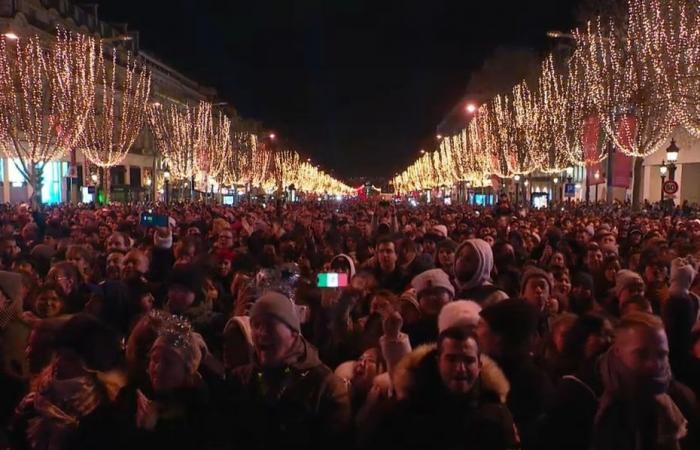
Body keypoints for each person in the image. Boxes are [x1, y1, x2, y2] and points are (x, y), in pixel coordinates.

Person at [543, 312, 698, 450]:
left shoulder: (676, 397)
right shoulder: (580, 392)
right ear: (618, 352)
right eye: (642, 353)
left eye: (661, 354)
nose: (654, 364)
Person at [224, 291, 351, 449]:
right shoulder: (240, 379)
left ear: (294, 333)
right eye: (256, 325)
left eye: (270, 325)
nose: (262, 333)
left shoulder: (325, 386)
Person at [364, 327, 518, 450]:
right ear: (438, 362)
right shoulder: (402, 412)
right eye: (451, 359)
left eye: (468, 360)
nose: (460, 369)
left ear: (479, 366)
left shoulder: (496, 414)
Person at [477, 299, 554, 449]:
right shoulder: (482, 372)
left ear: (499, 337)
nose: (475, 332)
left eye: (481, 325)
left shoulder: (531, 383)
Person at [453, 238, 508, 306]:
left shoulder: (497, 297)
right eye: (460, 255)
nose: (461, 261)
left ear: (483, 265)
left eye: (468, 259)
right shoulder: (451, 288)